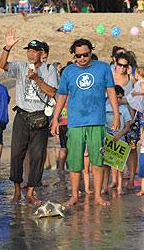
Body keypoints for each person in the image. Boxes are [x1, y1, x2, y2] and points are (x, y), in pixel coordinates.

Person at [50, 38, 120, 207]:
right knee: (75, 161)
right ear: (74, 56)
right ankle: (74, 196)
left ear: (91, 53)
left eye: (85, 55)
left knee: (97, 160)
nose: (82, 59)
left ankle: (97, 196)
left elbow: (111, 91)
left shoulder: (103, 68)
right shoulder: (68, 72)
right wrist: (55, 119)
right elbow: (62, 96)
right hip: (74, 122)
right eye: (78, 56)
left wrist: (116, 115)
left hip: (97, 121)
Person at [0, 30, 59, 204]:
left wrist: (36, 79)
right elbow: (2, 65)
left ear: (43, 54)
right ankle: (17, 192)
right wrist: (8, 47)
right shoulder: (21, 66)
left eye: (35, 51)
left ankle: (31, 192)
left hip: (40, 116)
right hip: (22, 115)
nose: (31, 54)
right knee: (17, 154)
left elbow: (52, 92)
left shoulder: (49, 70)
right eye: (29, 51)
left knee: (38, 156)